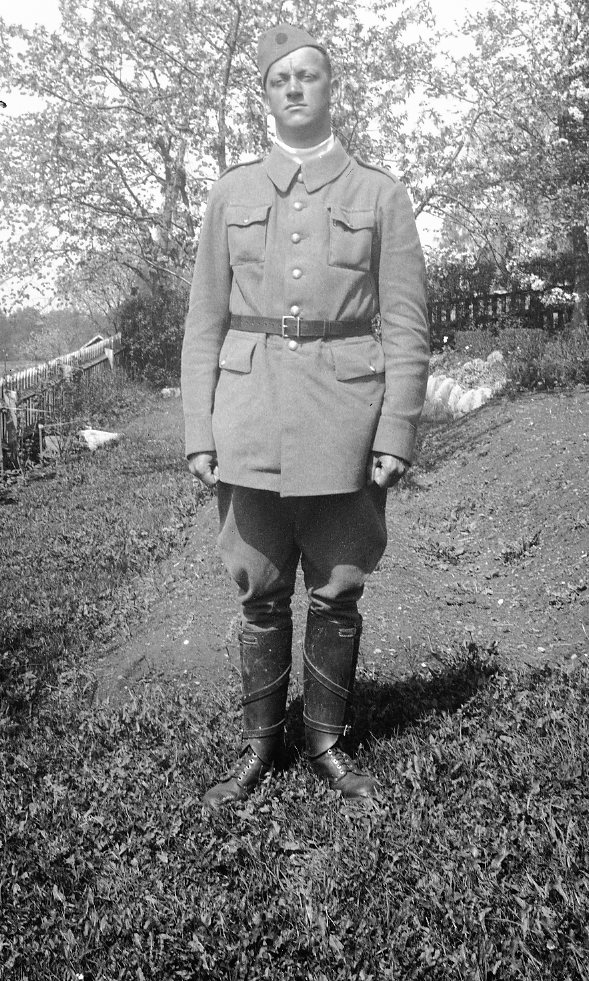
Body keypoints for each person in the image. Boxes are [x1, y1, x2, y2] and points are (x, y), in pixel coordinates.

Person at [181, 24, 429, 810]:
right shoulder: (230, 192)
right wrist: (198, 432)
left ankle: (323, 741)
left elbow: (405, 325)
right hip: (247, 416)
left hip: (344, 419)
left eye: (308, 75)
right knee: (257, 587)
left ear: (331, 89)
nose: (294, 87)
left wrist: (395, 430)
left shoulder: (380, 194)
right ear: (264, 95)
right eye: (279, 78)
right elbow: (204, 322)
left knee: (337, 586)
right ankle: (260, 746)